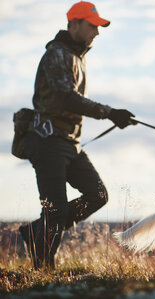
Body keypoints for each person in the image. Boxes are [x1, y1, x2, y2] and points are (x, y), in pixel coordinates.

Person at [18, 1, 135, 269]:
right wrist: (109, 112)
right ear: (74, 24)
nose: (96, 32)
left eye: (98, 27)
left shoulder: (75, 56)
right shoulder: (57, 54)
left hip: (69, 143)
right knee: (55, 209)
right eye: (92, 26)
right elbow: (66, 98)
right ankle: (44, 271)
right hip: (47, 141)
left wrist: (112, 114)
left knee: (98, 195)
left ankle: (37, 231)